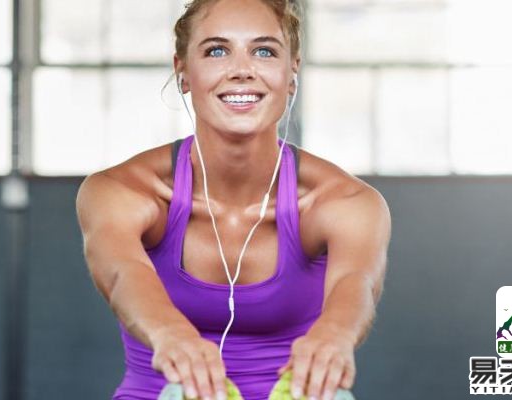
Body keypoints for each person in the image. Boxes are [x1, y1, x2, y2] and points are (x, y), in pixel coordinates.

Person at [75, 0, 391, 399]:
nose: (242, 70)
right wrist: (171, 334)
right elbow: (122, 273)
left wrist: (335, 334)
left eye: (264, 51)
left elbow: (356, 281)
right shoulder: (123, 191)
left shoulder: (345, 201)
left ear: (292, 72)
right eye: (216, 50)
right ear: (183, 71)